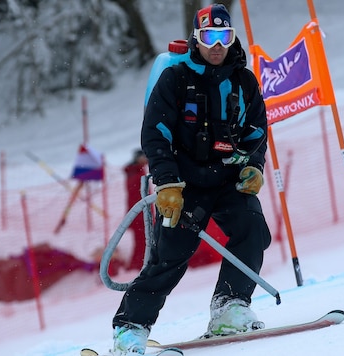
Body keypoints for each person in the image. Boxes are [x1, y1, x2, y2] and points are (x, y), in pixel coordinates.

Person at [111, 4, 272, 355]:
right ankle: (129, 331)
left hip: (228, 179)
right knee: (170, 255)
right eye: (209, 37)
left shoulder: (244, 81)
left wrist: (254, 166)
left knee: (253, 229)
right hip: (184, 186)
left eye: (224, 37)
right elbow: (155, 134)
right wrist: (167, 182)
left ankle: (229, 308)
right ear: (196, 39)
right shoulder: (176, 79)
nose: (217, 45)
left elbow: (257, 130)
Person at [123, 149, 149, 271]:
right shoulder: (136, 173)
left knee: (142, 240)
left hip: (138, 212)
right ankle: (139, 263)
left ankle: (139, 263)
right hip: (139, 213)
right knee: (143, 240)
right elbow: (137, 195)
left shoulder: (134, 172)